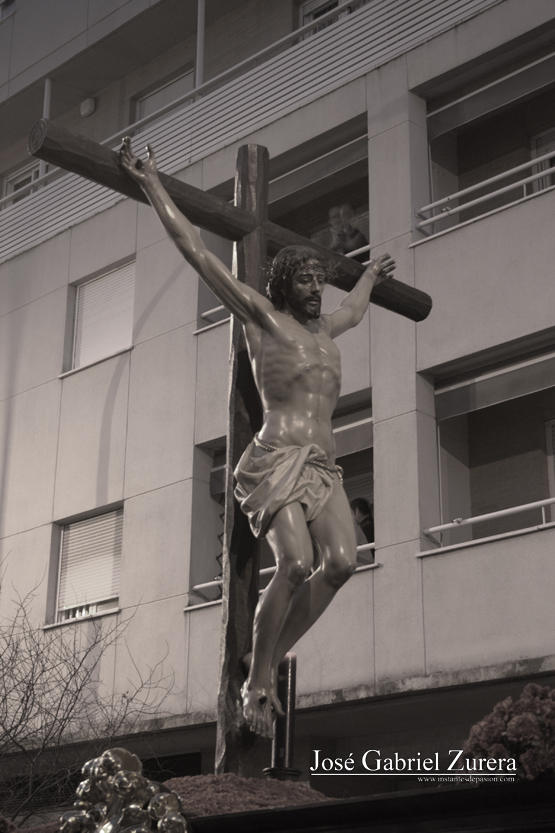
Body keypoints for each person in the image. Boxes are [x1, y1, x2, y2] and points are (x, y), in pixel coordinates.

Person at [119, 138, 395, 738]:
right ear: (284, 284)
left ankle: (265, 658)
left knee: (343, 562)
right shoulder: (262, 319)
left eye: (321, 279)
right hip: (275, 458)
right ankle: (257, 680)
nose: (317, 288)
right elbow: (196, 252)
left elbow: (355, 310)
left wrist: (370, 275)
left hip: (322, 466)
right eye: (307, 279)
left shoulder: (329, 329)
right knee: (295, 562)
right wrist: (152, 183)